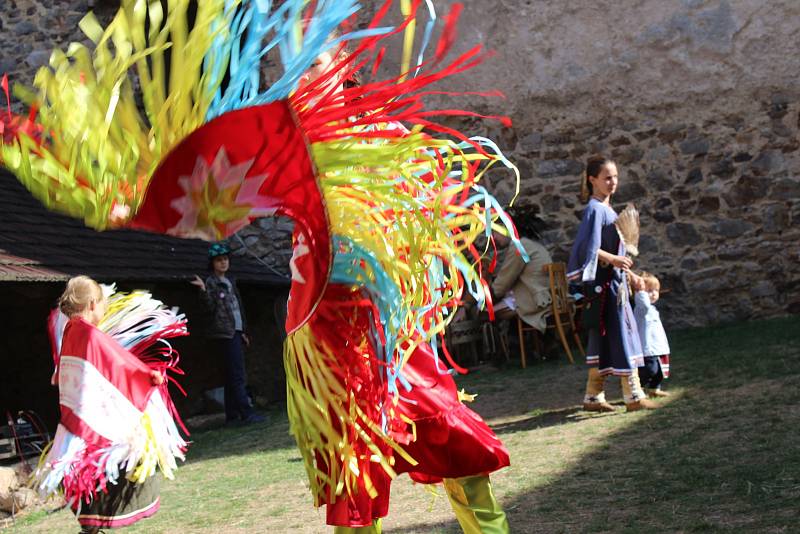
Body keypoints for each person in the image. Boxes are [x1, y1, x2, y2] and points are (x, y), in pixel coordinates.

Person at [47, 276, 176, 533]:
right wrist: (148, 376)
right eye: (103, 305)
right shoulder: (90, 334)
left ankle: (91, 527)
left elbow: (62, 373)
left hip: (76, 422)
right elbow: (119, 362)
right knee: (122, 462)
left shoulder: (70, 331)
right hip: (95, 423)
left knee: (89, 476)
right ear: (93, 303)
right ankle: (96, 525)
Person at [567, 155, 657, 412]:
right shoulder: (594, 210)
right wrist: (614, 259)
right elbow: (588, 250)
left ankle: (593, 397)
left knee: (606, 340)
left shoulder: (607, 210)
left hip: (614, 286)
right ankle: (634, 396)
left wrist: (631, 274)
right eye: (607, 177)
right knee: (621, 336)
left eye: (615, 176)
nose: (612, 182)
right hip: (605, 289)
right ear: (592, 180)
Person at [191, 243, 264, 425]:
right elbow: (208, 309)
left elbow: (238, 308)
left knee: (232, 375)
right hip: (223, 333)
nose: (223, 263)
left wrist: (243, 331)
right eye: (219, 260)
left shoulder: (230, 282)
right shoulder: (211, 283)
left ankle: (232, 416)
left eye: (225, 259)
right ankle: (246, 413)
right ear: (212, 264)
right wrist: (203, 291)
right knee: (237, 375)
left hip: (236, 332)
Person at [491, 209, 554, 358]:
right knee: (506, 306)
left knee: (488, 312)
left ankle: (503, 356)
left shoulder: (520, 247)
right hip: (546, 295)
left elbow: (503, 282)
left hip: (536, 300)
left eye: (495, 233)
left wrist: (489, 297)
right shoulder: (530, 244)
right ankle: (524, 349)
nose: (493, 238)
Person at [632, 271, 671, 397]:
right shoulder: (641, 309)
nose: (654, 293)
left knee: (660, 371)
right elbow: (644, 304)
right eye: (649, 290)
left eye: (656, 290)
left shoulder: (653, 309)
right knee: (649, 370)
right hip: (647, 348)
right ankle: (638, 388)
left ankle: (654, 389)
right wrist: (641, 291)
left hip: (658, 346)